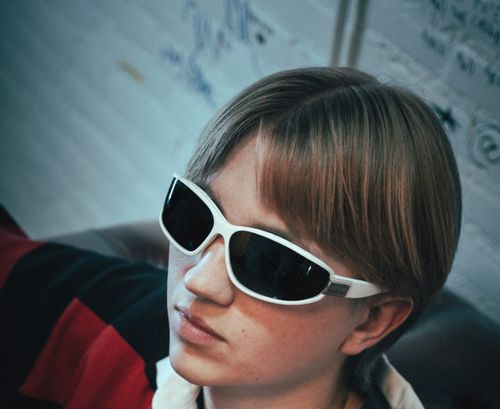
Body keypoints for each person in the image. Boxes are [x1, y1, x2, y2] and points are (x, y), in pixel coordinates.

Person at [0, 67, 461, 409]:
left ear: (371, 321)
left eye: (270, 261)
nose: (198, 281)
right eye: (196, 217)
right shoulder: (106, 318)